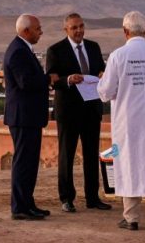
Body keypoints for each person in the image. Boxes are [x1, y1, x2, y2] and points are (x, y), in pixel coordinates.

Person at [97, 11, 145, 231]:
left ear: (125, 31)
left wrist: (102, 82)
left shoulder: (118, 56)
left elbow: (106, 91)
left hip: (128, 123)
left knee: (129, 164)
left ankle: (131, 218)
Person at [45, 13, 111, 212]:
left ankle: (93, 198)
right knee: (67, 155)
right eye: (74, 27)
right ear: (66, 29)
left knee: (91, 154)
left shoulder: (93, 47)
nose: (79, 30)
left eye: (81, 26)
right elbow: (52, 80)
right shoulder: (55, 50)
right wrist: (68, 79)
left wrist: (102, 74)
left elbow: (101, 70)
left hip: (91, 109)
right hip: (68, 111)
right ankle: (66, 198)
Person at [3, 13, 56, 220]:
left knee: (30, 162)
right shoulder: (18, 51)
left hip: (29, 117)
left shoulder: (23, 49)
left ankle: (27, 203)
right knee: (24, 162)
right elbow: (25, 82)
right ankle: (19, 207)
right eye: (37, 29)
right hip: (23, 117)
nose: (41, 32)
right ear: (26, 31)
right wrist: (48, 79)